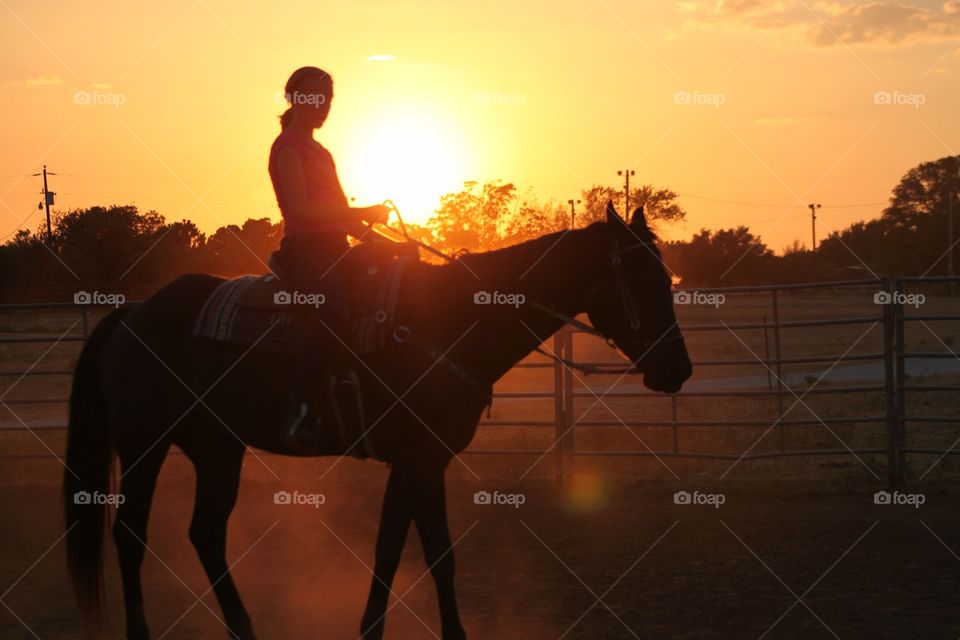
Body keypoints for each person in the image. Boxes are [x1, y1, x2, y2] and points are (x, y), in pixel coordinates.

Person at [269, 66, 389, 450]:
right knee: (334, 311)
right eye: (315, 97)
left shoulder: (323, 153)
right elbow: (301, 209)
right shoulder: (287, 146)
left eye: (328, 98)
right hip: (306, 250)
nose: (323, 105)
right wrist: (362, 212)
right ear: (295, 99)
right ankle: (300, 410)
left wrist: (387, 244)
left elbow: (344, 219)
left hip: (336, 249)